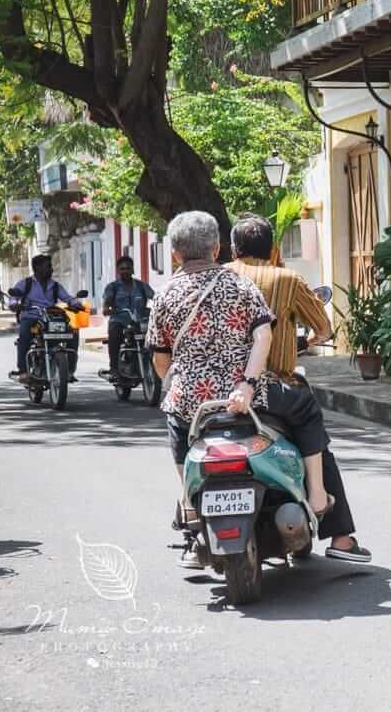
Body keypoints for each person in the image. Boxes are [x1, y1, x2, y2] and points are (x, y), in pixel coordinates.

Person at [147, 211, 368, 568]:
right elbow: (263, 335)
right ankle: (318, 497)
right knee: (307, 411)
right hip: (247, 394)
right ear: (217, 247)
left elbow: (160, 358)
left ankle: (189, 507)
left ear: (175, 253)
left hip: (193, 401)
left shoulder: (165, 293)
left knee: (175, 425)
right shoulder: (239, 285)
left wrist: (175, 386)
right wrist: (247, 383)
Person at [227, 214, 371, 563]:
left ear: (232, 249)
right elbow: (323, 328)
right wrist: (304, 340)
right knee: (314, 432)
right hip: (273, 388)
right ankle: (337, 532)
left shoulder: (219, 278)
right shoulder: (288, 280)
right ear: (274, 250)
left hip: (219, 390)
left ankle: (188, 515)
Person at [9, 255, 84, 383]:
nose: (51, 269)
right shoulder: (25, 284)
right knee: (24, 336)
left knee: (72, 333)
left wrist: (76, 303)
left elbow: (67, 297)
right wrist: (15, 304)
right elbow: (13, 299)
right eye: (48, 266)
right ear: (37, 268)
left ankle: (70, 370)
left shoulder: (55, 286)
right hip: (31, 318)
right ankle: (23, 371)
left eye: (50, 266)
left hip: (50, 318)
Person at [101, 256, 154, 379]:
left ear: (132, 269)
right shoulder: (112, 287)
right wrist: (106, 308)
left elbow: (155, 297)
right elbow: (107, 300)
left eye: (128, 268)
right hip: (119, 320)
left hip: (140, 321)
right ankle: (114, 368)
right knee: (114, 335)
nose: (125, 271)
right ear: (118, 271)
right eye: (122, 268)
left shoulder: (141, 286)